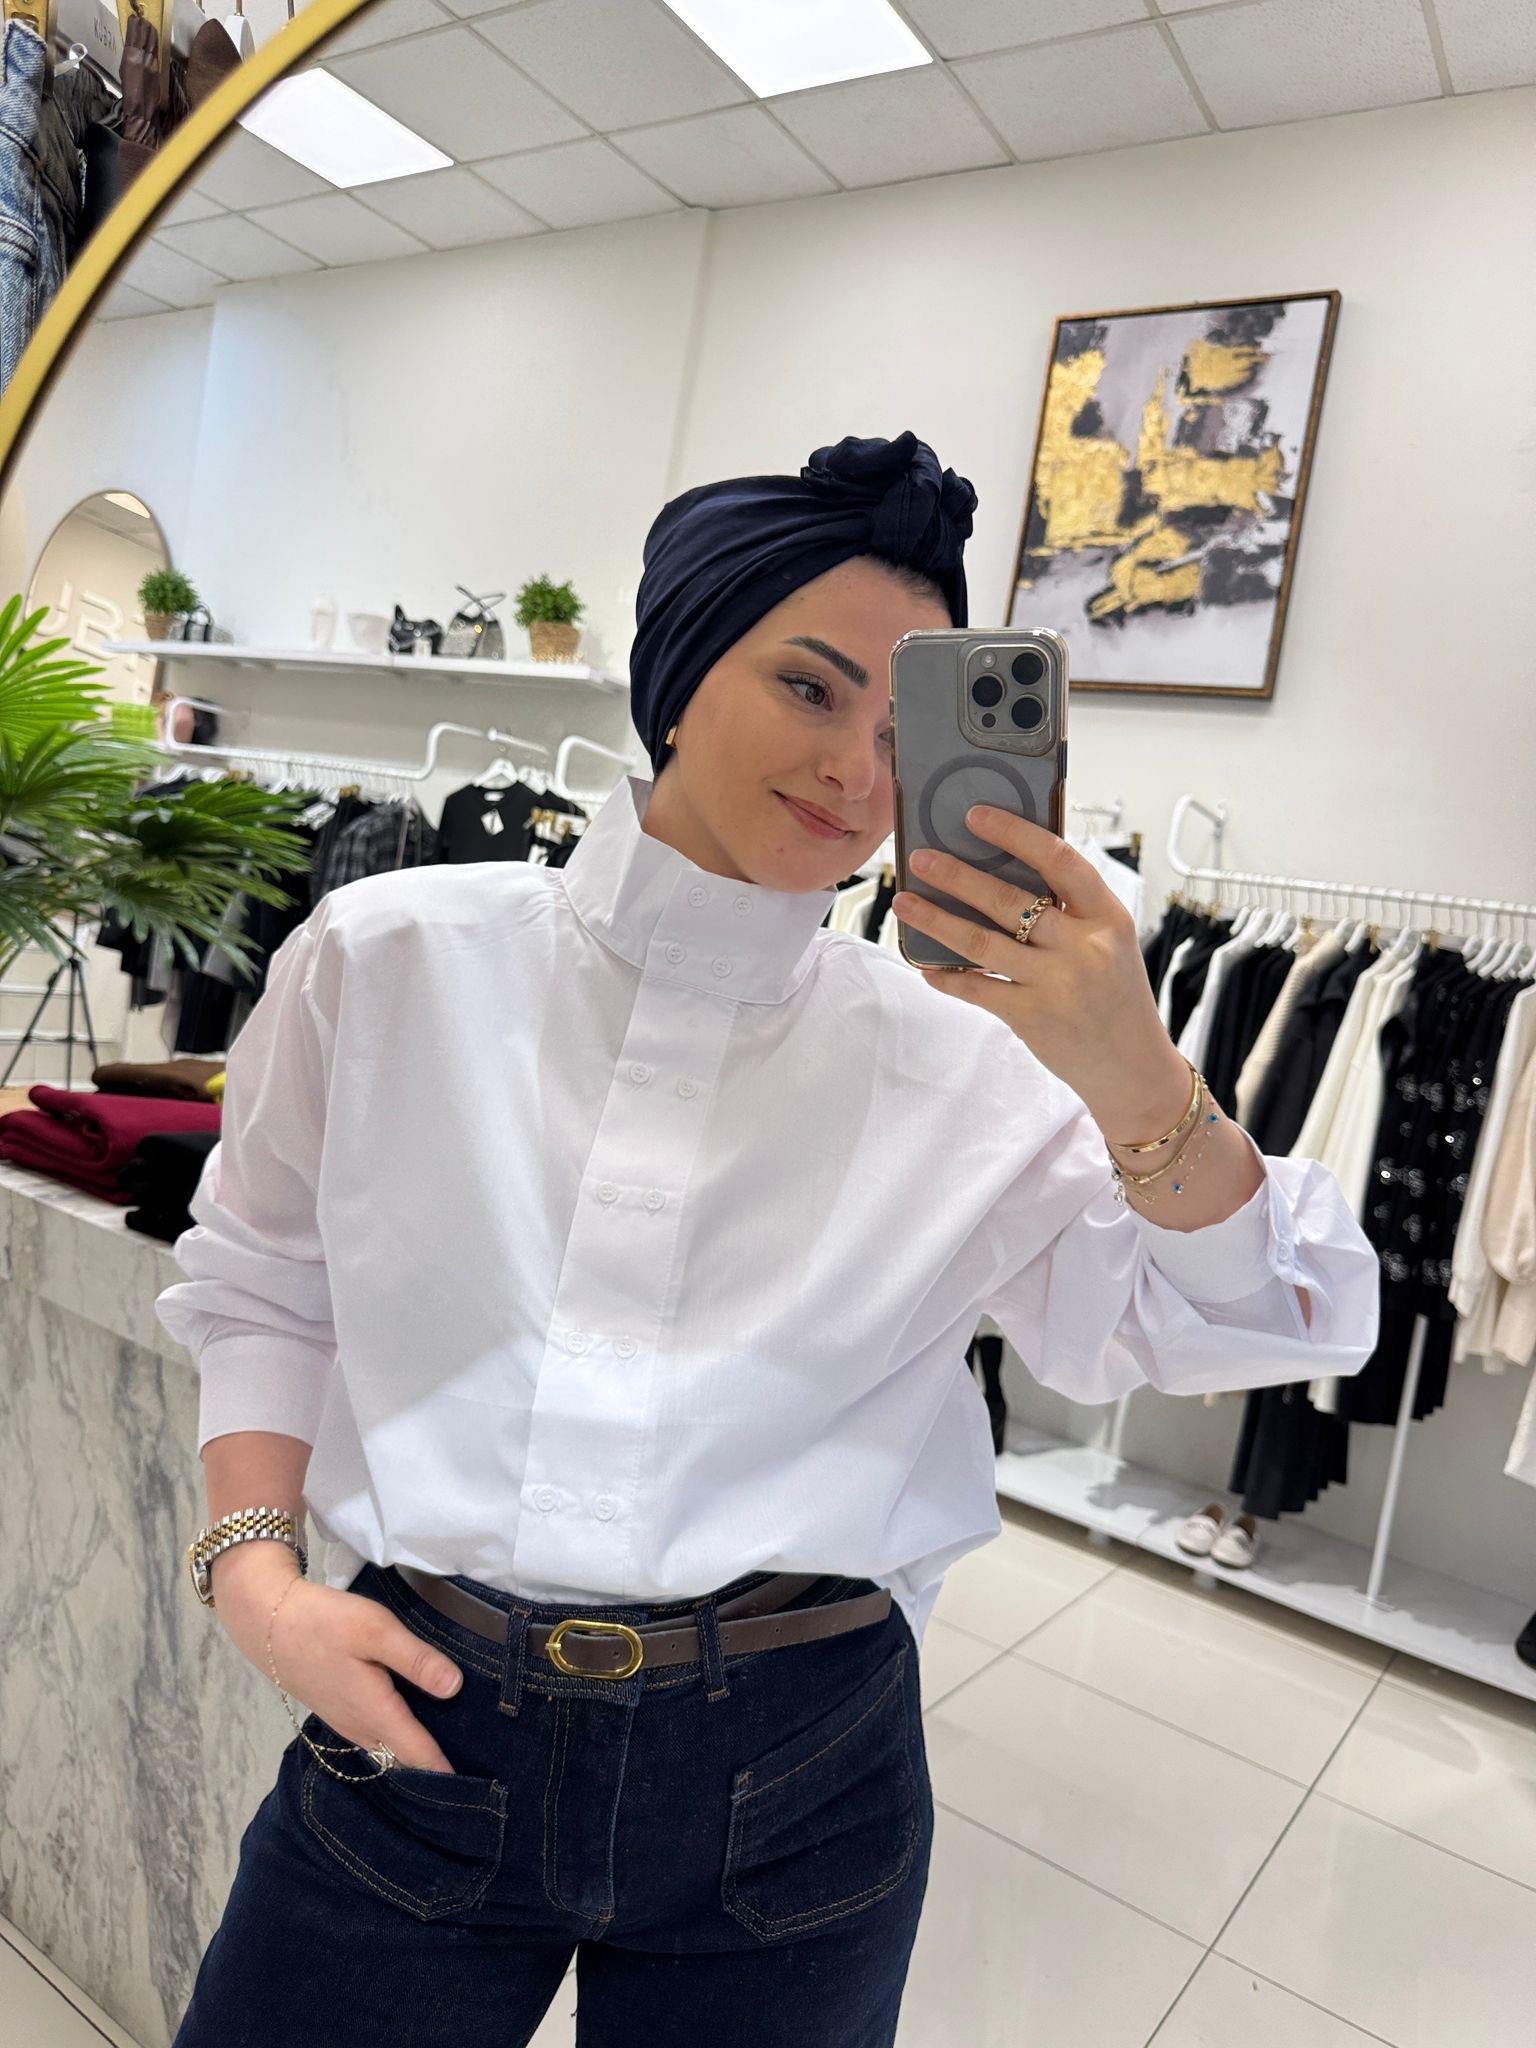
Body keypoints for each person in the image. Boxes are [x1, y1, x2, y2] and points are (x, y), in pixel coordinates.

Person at [155, 432, 1380, 2046]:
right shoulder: (388, 961)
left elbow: (1269, 1319)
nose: (859, 777)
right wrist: (255, 1578)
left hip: (799, 1768)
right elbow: (262, 1279)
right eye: (809, 688)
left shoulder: (971, 1060)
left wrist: (1134, 1069)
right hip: (419, 1722)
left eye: (905, 735)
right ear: (677, 677)